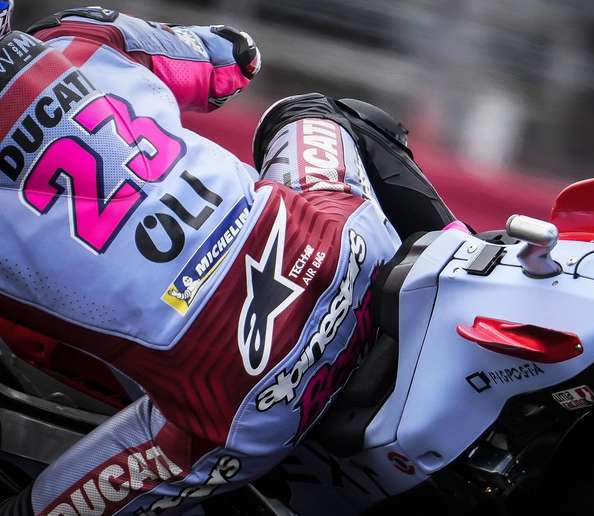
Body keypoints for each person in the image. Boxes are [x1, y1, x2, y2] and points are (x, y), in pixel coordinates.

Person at [0, 4, 454, 515]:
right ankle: (450, 260)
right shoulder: (79, 36)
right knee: (314, 111)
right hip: (348, 253)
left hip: (245, 407)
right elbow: (236, 56)